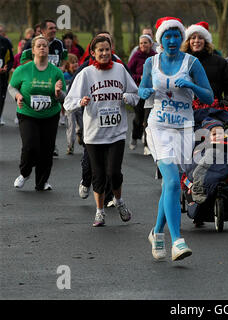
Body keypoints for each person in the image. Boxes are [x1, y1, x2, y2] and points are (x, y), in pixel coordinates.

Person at [139, 17, 213, 261]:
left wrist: (191, 84)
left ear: (181, 39)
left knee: (171, 186)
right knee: (171, 180)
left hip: (184, 128)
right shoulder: (152, 62)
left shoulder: (191, 63)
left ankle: (156, 232)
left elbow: (209, 97)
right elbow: (142, 89)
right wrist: (145, 91)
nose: (172, 41)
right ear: (160, 39)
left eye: (176, 36)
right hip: (158, 126)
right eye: (167, 36)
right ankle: (177, 240)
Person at [64, 35, 140, 227]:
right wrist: (80, 102)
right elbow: (68, 101)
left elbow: (135, 94)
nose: (105, 53)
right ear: (93, 53)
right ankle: (100, 212)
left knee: (114, 172)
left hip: (116, 131)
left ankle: (119, 202)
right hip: (94, 134)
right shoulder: (86, 74)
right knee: (98, 174)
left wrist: (127, 98)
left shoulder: (120, 69)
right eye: (101, 50)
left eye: (108, 50)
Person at [8, 35, 66, 191]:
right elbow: (12, 87)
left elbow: (64, 98)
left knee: (47, 150)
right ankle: (24, 173)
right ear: (33, 50)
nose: (42, 48)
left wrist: (58, 92)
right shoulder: (23, 70)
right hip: (27, 113)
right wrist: (18, 96)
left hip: (50, 115)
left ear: (48, 49)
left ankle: (42, 182)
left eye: (45, 45)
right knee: (30, 146)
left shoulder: (56, 72)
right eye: (39, 45)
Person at [182, 21, 228, 109]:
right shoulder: (181, 61)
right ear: (188, 41)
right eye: (193, 38)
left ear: (206, 41)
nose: (196, 41)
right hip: (185, 109)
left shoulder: (219, 62)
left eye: (200, 38)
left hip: (212, 109)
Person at [128, 34, 156, 153]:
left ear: (151, 44)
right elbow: (128, 73)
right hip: (138, 91)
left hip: (151, 92)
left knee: (148, 119)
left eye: (145, 42)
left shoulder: (155, 56)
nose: (143, 45)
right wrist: (139, 77)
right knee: (139, 119)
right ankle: (134, 136)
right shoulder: (136, 56)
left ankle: (147, 144)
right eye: (141, 43)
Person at [63, 53, 80, 155]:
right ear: (67, 65)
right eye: (72, 63)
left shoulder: (80, 74)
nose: (75, 64)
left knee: (82, 124)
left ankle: (80, 134)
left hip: (79, 104)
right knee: (71, 126)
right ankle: (70, 145)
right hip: (69, 106)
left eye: (76, 62)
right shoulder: (65, 76)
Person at [0, 33, 13, 125]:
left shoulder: (5, 42)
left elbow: (10, 60)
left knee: (1, 98)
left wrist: (6, 68)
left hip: (2, 77)